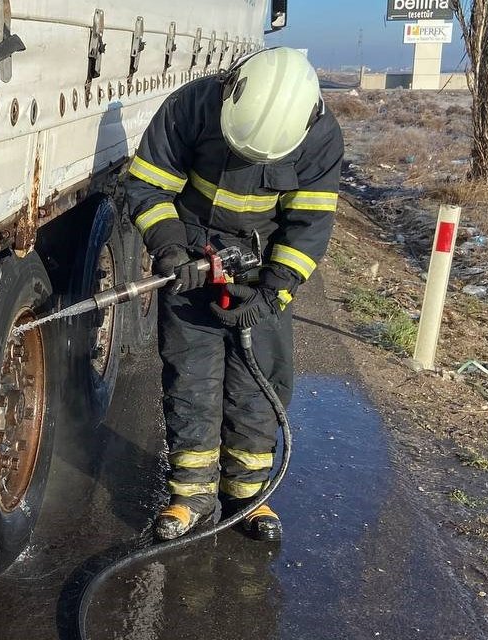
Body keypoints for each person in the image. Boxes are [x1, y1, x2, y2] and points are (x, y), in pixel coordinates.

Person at [122, 47, 343, 541]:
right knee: (190, 375)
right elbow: (146, 188)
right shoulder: (191, 107)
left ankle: (248, 495)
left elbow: (309, 227)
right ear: (230, 92)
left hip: (260, 270)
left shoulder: (320, 138)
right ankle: (191, 494)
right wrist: (172, 252)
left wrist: (273, 294)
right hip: (191, 256)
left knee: (257, 382)